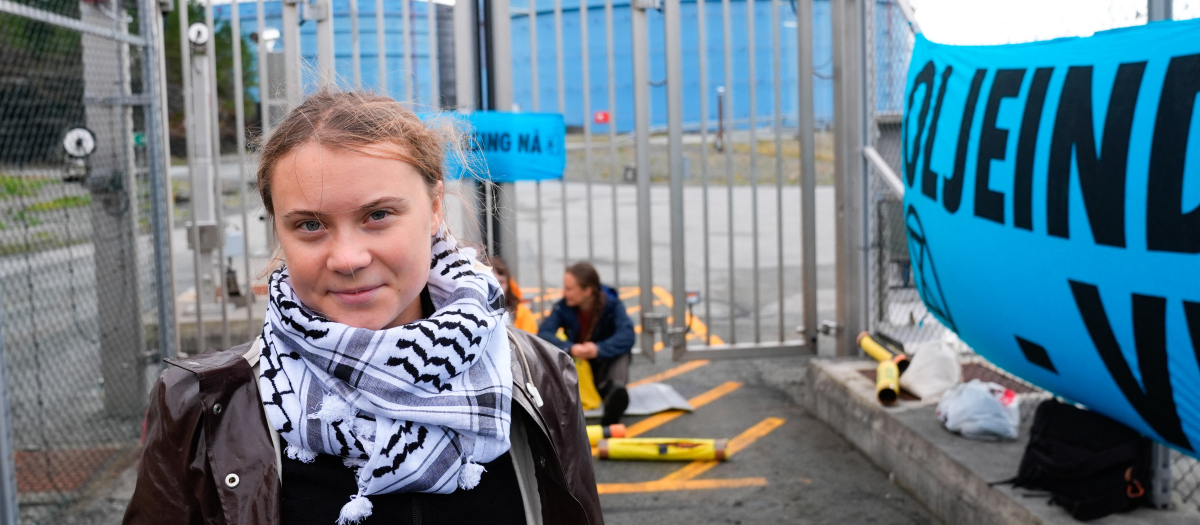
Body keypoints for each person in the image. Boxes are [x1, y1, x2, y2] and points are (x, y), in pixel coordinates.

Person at [123, 90, 602, 525]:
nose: (348, 258)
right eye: (310, 225)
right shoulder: (202, 404)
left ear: (435, 206)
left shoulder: (538, 378)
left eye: (377, 215)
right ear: (278, 230)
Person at [537, 262, 635, 426]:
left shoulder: (612, 305)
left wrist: (599, 349)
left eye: (569, 289)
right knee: (555, 348)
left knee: (622, 352)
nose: (564, 293)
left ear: (587, 291)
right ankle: (611, 397)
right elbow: (543, 333)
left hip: (604, 364)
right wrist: (571, 348)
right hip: (578, 367)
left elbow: (627, 334)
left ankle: (615, 395)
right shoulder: (563, 306)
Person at [490, 257, 538, 334]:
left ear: (508, 285)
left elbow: (527, 342)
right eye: (492, 282)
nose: (497, 287)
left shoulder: (522, 313)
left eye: (501, 282)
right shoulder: (472, 312)